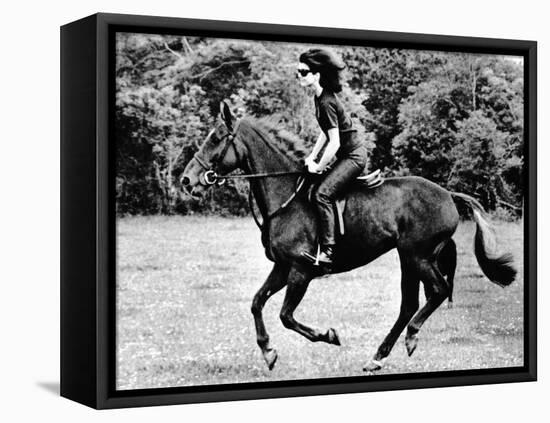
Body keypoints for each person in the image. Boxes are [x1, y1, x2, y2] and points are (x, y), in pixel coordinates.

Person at [297, 48, 368, 266]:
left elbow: (335, 142)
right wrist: (312, 157)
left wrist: (318, 166)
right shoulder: (319, 99)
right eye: (298, 72)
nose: (299, 75)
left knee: (322, 194)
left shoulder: (326, 101)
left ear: (317, 75)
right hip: (346, 155)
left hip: (353, 157)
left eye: (303, 72)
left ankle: (328, 251)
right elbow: (325, 133)